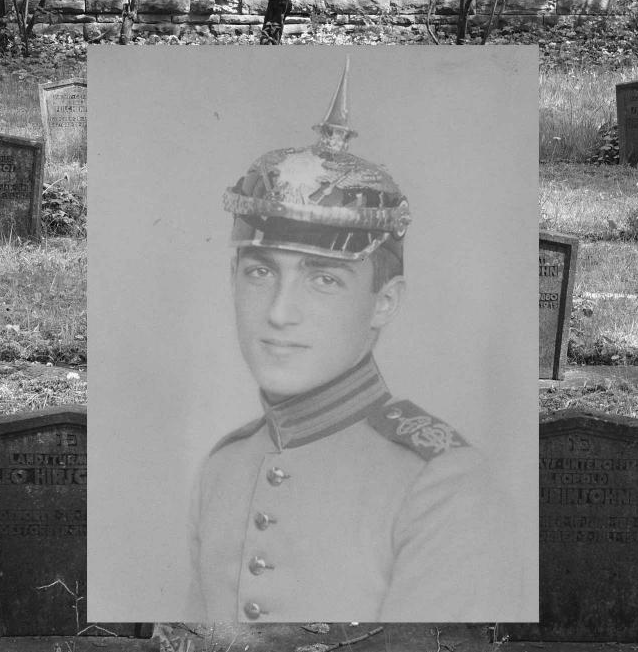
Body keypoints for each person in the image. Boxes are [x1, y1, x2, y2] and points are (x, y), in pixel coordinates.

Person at [185, 66, 521, 622]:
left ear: (384, 302)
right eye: (260, 272)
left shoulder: (444, 483)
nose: (279, 313)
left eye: (323, 279)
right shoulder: (224, 467)